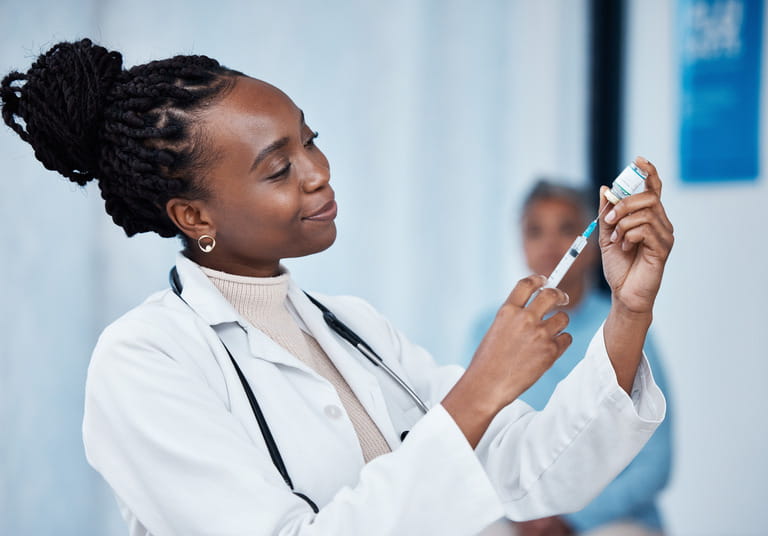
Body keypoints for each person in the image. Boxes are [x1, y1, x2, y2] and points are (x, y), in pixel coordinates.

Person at [0, 39, 674, 536]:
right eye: (278, 167)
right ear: (195, 217)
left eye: (310, 140)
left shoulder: (353, 329)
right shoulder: (145, 360)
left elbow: (538, 474)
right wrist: (478, 392)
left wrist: (628, 312)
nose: (319, 173)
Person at [469, 181, 672, 536]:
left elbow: (655, 463)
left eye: (565, 229)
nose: (549, 244)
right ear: (521, 243)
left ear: (592, 247)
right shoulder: (488, 329)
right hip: (517, 518)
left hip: (606, 522)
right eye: (535, 231)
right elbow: (471, 441)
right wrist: (523, 514)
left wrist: (570, 520)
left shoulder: (624, 324)